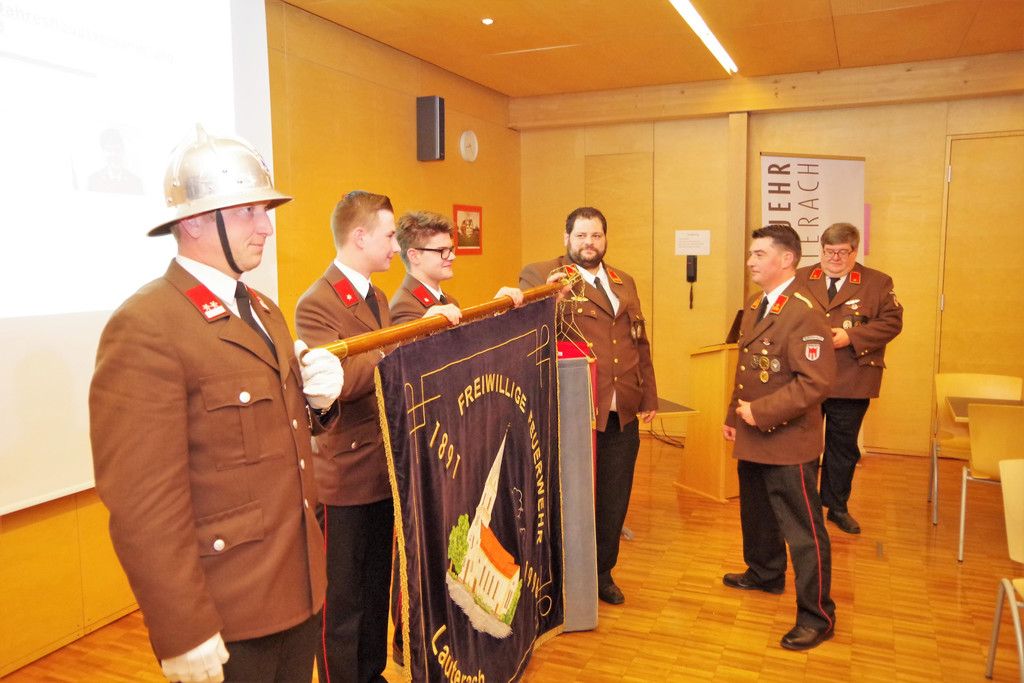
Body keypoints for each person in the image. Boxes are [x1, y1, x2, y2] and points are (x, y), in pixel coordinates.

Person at [89, 125, 343, 683]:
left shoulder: (264, 310)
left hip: (297, 589)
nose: (266, 226)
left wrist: (319, 408)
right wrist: (182, 628)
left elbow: (270, 442)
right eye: (248, 211)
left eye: (264, 210)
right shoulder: (148, 326)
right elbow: (143, 502)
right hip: (228, 612)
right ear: (194, 222)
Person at [295, 192, 459, 683]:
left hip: (382, 466)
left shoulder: (378, 296)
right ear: (360, 236)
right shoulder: (318, 302)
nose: (396, 246)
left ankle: (370, 673)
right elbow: (336, 382)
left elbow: (375, 367)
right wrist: (402, 343)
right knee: (342, 600)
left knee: (373, 588)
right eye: (389, 236)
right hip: (344, 475)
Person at [519, 206, 657, 605]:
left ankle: (601, 573)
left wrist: (648, 394)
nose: (588, 243)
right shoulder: (542, 275)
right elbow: (526, 331)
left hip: (620, 407)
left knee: (614, 497)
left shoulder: (623, 281)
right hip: (573, 410)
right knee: (571, 498)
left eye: (596, 235)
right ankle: (561, 578)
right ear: (566, 238)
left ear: (605, 239)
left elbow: (638, 341)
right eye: (580, 235)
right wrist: (549, 299)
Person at [721, 224, 837, 651]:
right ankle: (765, 572)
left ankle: (817, 616)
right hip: (753, 432)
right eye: (751, 254)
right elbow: (748, 371)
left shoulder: (804, 312)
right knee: (757, 515)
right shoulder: (759, 303)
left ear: (786, 259)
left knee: (803, 532)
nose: (750, 261)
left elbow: (815, 383)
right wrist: (733, 416)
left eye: (759, 254)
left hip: (789, 440)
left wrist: (761, 412)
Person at [795, 223, 903, 535]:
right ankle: (804, 505)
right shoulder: (800, 278)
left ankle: (837, 507)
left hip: (852, 378)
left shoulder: (877, 282)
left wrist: (851, 336)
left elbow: (892, 323)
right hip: (807, 377)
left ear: (855, 252)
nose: (835, 258)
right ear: (821, 249)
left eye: (843, 252)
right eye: (829, 252)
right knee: (803, 444)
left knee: (842, 448)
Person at [390, 210, 523, 325]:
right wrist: (426, 324)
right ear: (414, 256)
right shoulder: (403, 306)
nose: (452, 256)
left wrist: (496, 308)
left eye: (450, 249)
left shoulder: (449, 301)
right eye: (441, 250)